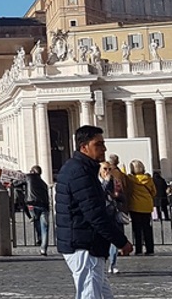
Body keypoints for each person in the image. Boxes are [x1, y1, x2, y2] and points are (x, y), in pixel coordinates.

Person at [56, 125, 133, 299]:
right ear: (84, 147)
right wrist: (120, 241)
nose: (104, 148)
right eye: (98, 144)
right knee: (90, 295)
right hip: (84, 245)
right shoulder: (80, 173)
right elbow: (94, 214)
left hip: (84, 242)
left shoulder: (80, 169)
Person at [125, 161, 155, 256]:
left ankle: (138, 249)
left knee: (137, 229)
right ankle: (150, 249)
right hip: (146, 206)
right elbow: (154, 192)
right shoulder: (148, 179)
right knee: (147, 228)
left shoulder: (130, 179)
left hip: (135, 206)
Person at [24, 165, 50, 255]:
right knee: (45, 228)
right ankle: (43, 249)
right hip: (43, 206)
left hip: (32, 204)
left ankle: (39, 237)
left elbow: (16, 182)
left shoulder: (29, 178)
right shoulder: (44, 183)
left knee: (37, 223)